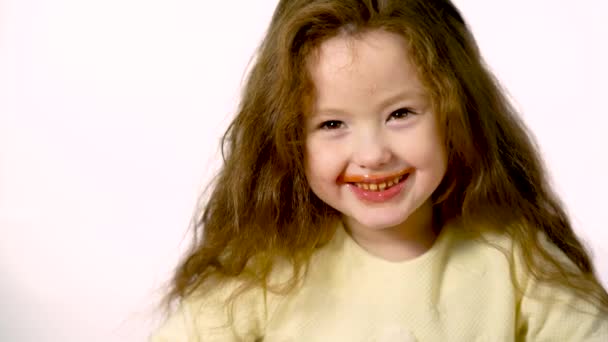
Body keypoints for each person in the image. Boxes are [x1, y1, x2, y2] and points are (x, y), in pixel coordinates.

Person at [151, 0, 608, 340]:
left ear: (456, 115)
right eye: (332, 124)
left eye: (401, 114)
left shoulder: (517, 262)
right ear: (287, 141)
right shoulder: (264, 272)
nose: (372, 154)